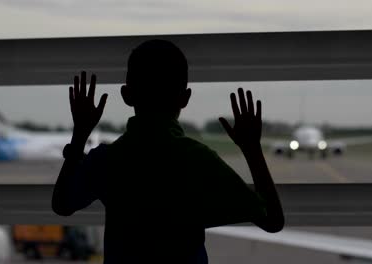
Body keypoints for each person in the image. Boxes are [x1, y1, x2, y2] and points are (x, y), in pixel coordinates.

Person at [52, 39, 284, 263]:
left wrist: (80, 134)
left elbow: (62, 205)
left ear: (126, 95)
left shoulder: (107, 160)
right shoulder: (198, 160)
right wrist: (252, 149)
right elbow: (272, 221)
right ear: (185, 98)